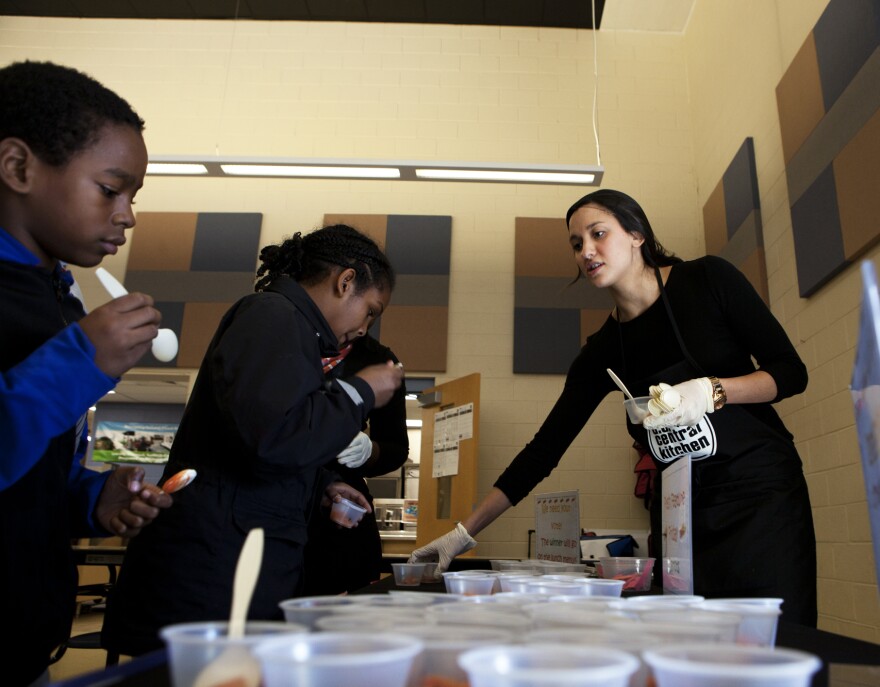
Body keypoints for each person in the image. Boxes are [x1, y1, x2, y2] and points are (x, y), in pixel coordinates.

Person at [410, 189, 818, 626]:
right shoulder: (601, 354)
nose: (586, 251)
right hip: (682, 516)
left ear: (637, 234)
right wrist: (463, 532)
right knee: (695, 648)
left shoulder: (706, 281)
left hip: (762, 498)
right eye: (576, 243)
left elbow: (791, 373)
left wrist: (713, 391)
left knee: (778, 643)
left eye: (598, 234)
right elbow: (541, 453)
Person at [102, 224, 405, 656]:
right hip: (212, 575)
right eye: (371, 311)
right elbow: (273, 438)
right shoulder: (273, 316)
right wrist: (359, 392)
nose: (364, 329)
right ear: (346, 281)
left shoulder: (295, 331)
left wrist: (320, 488)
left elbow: (254, 433)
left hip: (233, 565)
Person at [0, 60, 173, 687]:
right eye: (110, 189)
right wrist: (79, 363)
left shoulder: (57, 297)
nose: (127, 215)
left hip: (27, 642)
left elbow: (29, 472)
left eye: (134, 197)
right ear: (19, 168)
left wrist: (88, 497)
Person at [303, 333, 409, 595]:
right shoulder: (290, 342)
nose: (362, 327)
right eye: (366, 307)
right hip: (282, 503)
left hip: (340, 511)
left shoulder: (378, 359)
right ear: (342, 289)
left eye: (374, 314)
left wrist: (369, 451)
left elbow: (396, 448)